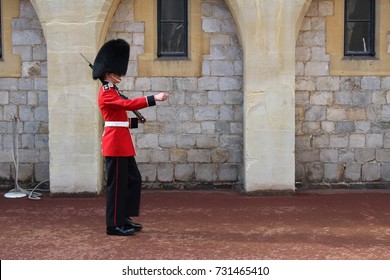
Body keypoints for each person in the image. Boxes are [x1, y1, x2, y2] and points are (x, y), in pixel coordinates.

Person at [92, 38, 169, 236]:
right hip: (115, 144)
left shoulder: (113, 91)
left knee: (133, 179)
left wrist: (136, 123)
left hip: (122, 142)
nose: (120, 76)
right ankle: (113, 225)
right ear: (109, 73)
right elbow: (127, 106)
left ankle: (124, 216)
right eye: (117, 73)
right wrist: (153, 98)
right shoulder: (106, 92)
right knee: (117, 186)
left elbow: (119, 119)